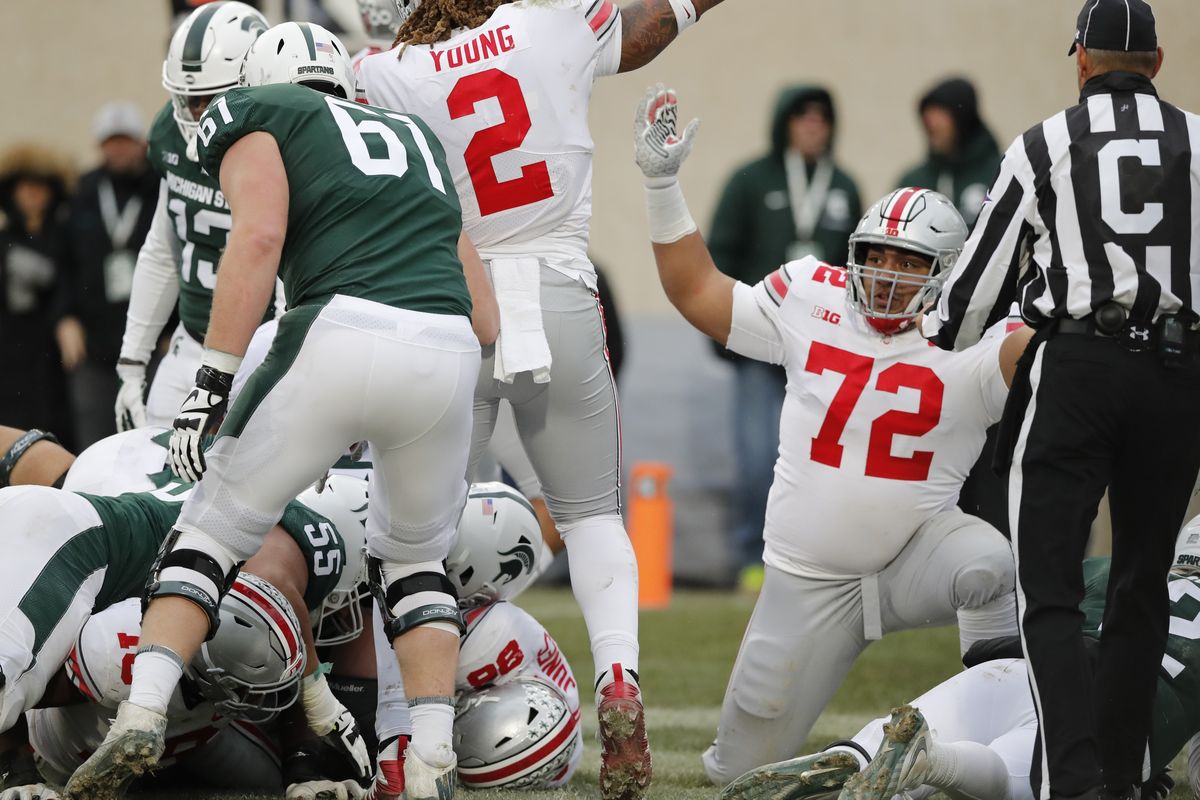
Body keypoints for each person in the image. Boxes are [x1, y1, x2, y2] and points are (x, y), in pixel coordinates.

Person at [67, 21, 495, 800]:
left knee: (210, 528)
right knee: (415, 563)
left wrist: (209, 384)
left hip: (336, 332)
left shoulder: (262, 112)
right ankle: (431, 758)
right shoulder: (418, 138)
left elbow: (258, 238)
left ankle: (142, 712)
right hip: (446, 348)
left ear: (258, 79)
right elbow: (486, 316)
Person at [357, 2, 730, 795]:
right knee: (594, 516)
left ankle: (406, 734)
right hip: (559, 290)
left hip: (452, 302)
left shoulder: (387, 71)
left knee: (408, 541)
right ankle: (619, 679)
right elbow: (646, 29)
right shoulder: (549, 23)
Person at [631, 85, 1029, 784]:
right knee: (739, 775)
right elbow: (697, 291)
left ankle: (1004, 707)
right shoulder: (810, 296)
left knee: (990, 564)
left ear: (950, 274)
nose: (885, 274)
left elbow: (1039, 347)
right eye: (877, 253)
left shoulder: (969, 342)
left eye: (908, 262)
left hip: (915, 560)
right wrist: (663, 186)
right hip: (807, 581)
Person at [921, 2, 1200, 797]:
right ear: (1156, 59)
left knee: (1046, 587)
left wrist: (935, 343)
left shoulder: (1045, 142)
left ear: (1080, 59)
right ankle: (1119, 776)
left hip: (1079, 368)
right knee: (1143, 584)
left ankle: (1072, 781)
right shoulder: (1199, 139)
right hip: (1180, 372)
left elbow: (966, 299)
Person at [722, 521, 1200, 800]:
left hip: (1017, 671)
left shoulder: (1110, 571)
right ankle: (930, 761)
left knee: (892, 737)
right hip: (1097, 712)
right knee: (1001, 775)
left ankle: (851, 755)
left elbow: (1024, 612)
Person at [707, 85, 862, 590]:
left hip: (825, 350)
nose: (813, 125)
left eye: (822, 117)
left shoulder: (843, 185)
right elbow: (719, 256)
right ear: (784, 123)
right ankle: (752, 556)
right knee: (758, 455)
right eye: (802, 116)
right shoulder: (750, 182)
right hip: (761, 344)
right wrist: (724, 331)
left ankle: (815, 559)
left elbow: (861, 268)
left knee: (823, 458)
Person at [114, 1, 270, 433]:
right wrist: (133, 359)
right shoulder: (170, 132)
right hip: (188, 347)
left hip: (264, 355)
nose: (195, 111)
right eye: (187, 96)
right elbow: (163, 249)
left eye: (208, 96)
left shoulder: (283, 143)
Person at [56, 103, 160, 448]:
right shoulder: (82, 194)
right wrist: (65, 317)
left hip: (152, 339)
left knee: (150, 435)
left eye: (125, 141)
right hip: (93, 343)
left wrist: (172, 327)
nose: (118, 149)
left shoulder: (161, 188)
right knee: (94, 439)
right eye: (110, 142)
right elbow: (64, 261)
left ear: (141, 143)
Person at [0, 146, 73, 443]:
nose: (32, 194)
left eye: (39, 187)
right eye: (25, 187)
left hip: (53, 348)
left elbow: (71, 285)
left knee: (54, 420)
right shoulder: (4, 240)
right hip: (8, 347)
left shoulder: (64, 237)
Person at [896, 77, 1002, 229]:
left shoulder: (999, 174)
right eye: (928, 118)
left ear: (962, 119)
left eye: (941, 114)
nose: (931, 122)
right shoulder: (913, 184)